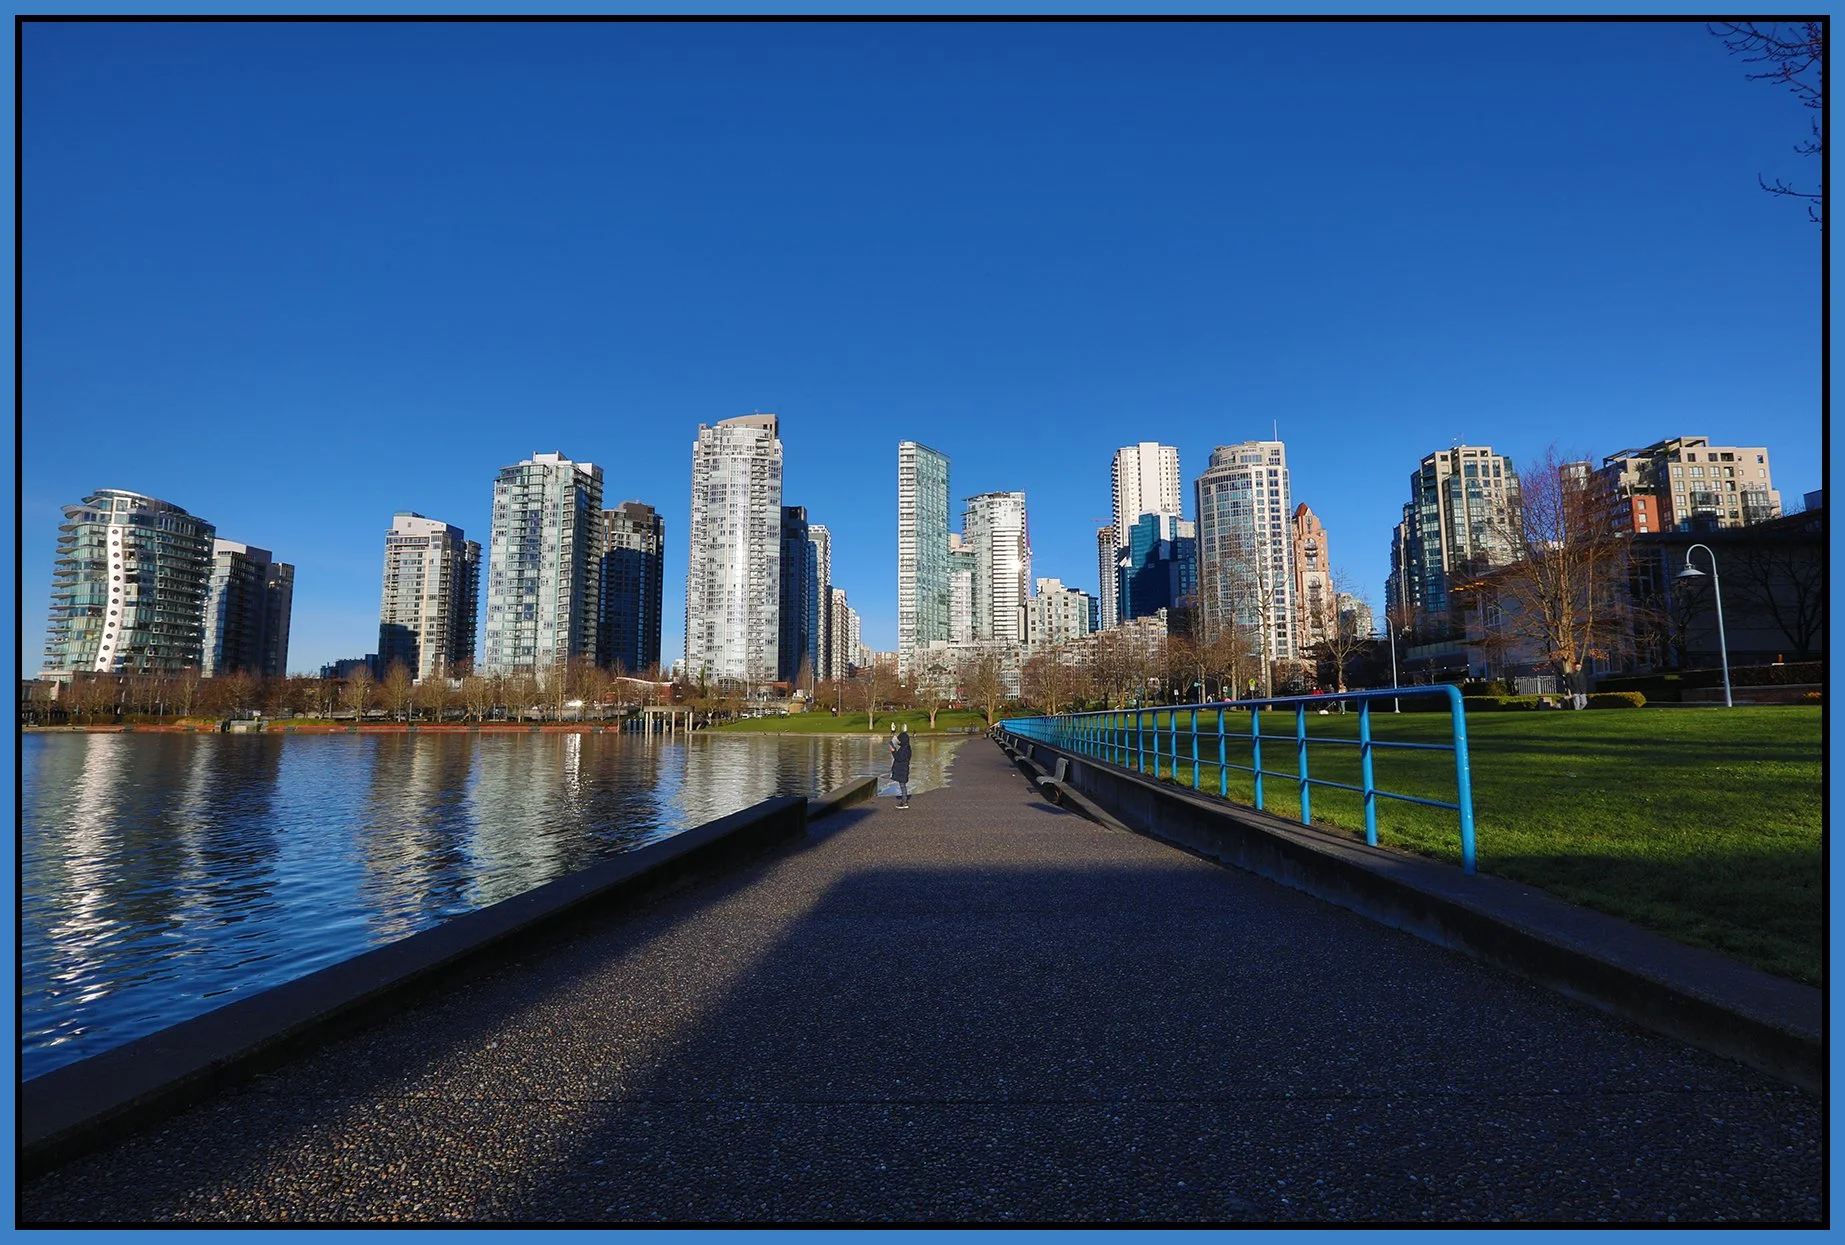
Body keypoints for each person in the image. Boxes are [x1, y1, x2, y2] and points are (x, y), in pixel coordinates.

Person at [889, 722, 913, 808]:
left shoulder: (904, 749)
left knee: (902, 786)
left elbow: (898, 758)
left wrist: (893, 751)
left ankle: (904, 802)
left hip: (902, 770)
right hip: (903, 769)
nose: (898, 741)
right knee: (902, 785)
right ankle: (904, 800)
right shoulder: (907, 748)